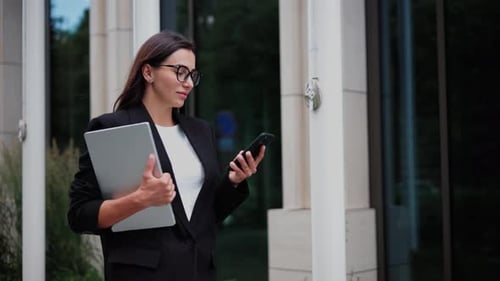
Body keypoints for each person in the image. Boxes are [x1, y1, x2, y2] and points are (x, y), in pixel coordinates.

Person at [68, 30, 266, 281]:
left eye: (193, 75)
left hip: (199, 271)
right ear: (148, 72)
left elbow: (205, 216)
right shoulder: (112, 128)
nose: (189, 82)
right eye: (180, 71)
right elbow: (79, 215)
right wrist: (140, 199)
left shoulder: (200, 131)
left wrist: (234, 181)